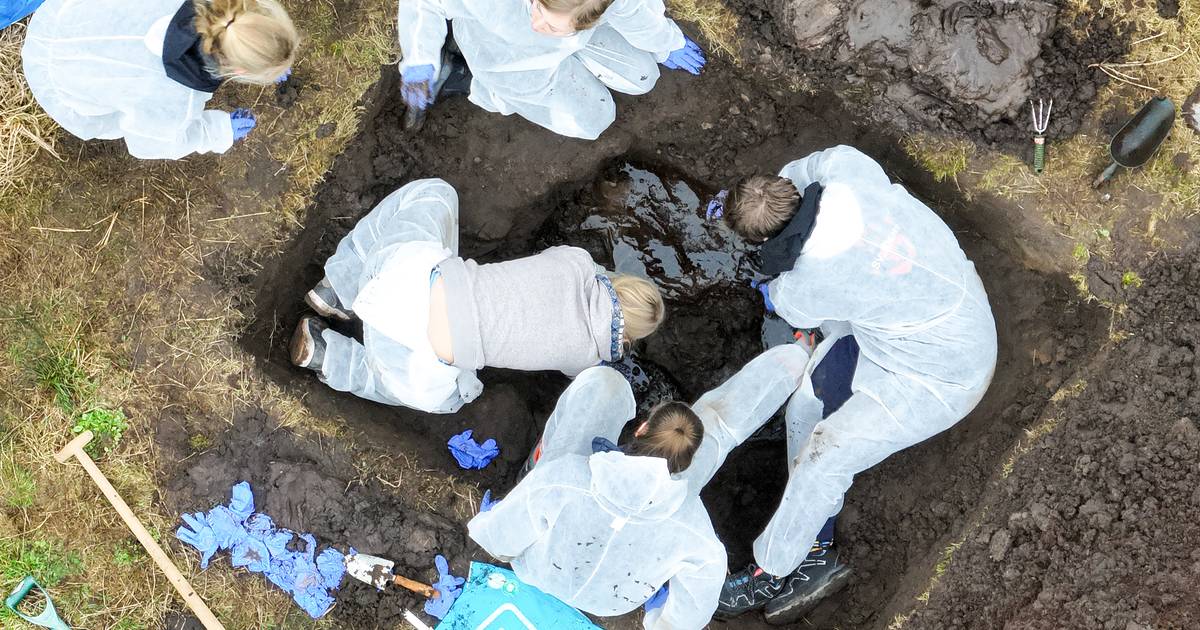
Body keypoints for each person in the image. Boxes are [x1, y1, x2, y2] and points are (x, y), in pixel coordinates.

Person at [710, 145, 999, 623]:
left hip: (941, 378)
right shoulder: (846, 167)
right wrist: (752, 205)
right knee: (805, 407)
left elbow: (792, 305)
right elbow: (796, 176)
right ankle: (811, 524)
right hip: (934, 310)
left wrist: (774, 281)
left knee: (826, 454)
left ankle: (779, 567)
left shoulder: (808, 281)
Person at [289, 178, 666, 414]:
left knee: (435, 194)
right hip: (411, 358)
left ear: (620, 282)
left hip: (397, 278)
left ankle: (340, 288)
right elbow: (587, 370)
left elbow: (577, 269)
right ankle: (328, 357)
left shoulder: (579, 263)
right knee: (452, 399)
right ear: (628, 337)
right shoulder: (587, 357)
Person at [468, 366, 727, 630]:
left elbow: (498, 541)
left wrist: (489, 522)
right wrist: (662, 618)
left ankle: (531, 467)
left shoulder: (566, 476)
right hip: (610, 602)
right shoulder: (694, 528)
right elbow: (695, 606)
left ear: (641, 429)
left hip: (538, 571)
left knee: (600, 388)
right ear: (685, 463)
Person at [22, 0, 299, 159]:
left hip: (64, 14)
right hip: (58, 79)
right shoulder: (174, 99)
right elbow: (150, 142)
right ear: (239, 71)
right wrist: (217, 131)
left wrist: (261, 55)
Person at [396, 0, 707, 138]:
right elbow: (424, 3)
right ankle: (463, 79)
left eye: (550, 25)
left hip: (578, 39)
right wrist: (420, 57)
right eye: (539, 8)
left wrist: (667, 43)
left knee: (643, 76)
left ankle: (569, 43)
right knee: (594, 120)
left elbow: (638, 13)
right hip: (503, 46)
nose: (536, 23)